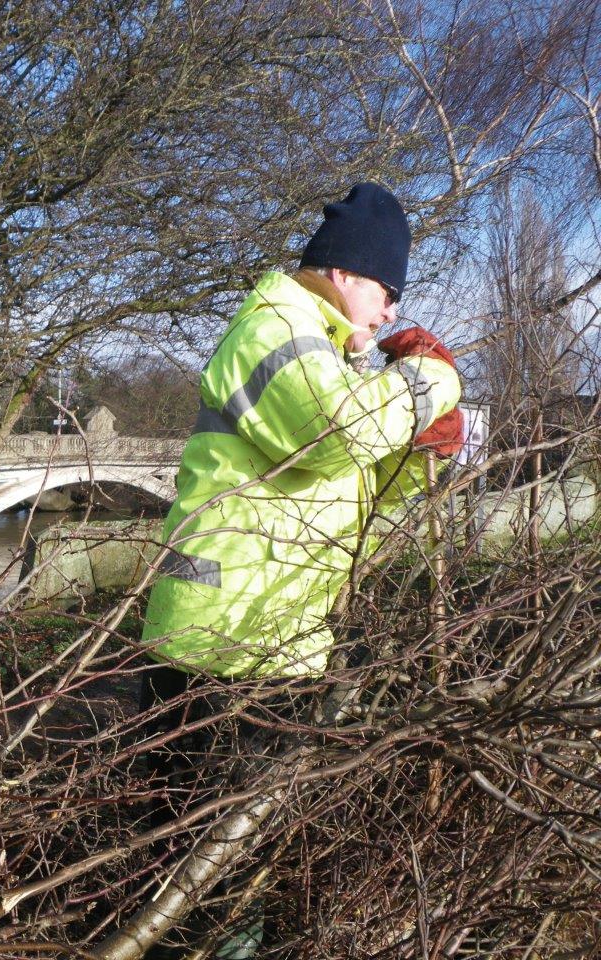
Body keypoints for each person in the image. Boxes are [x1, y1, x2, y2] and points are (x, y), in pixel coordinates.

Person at [138, 182, 464, 858]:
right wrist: (431, 383)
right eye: (385, 288)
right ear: (343, 272)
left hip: (273, 643)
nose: (391, 308)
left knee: (233, 865)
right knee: (194, 867)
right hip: (219, 648)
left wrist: (423, 449)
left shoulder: (329, 359)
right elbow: (338, 436)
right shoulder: (275, 328)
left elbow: (365, 493)